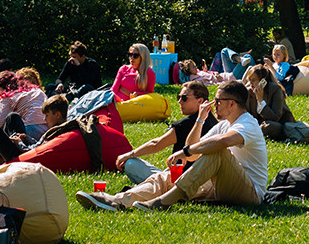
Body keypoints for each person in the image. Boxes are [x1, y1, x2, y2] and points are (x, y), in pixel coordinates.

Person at [79, 79, 268, 211]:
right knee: (166, 177)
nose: (214, 104)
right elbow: (194, 153)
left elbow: (221, 142)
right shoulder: (224, 125)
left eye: (218, 101)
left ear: (232, 104)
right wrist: (200, 120)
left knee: (218, 151)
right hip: (220, 186)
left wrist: (185, 151)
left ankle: (163, 202)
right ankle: (117, 201)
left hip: (250, 193)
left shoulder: (247, 124)